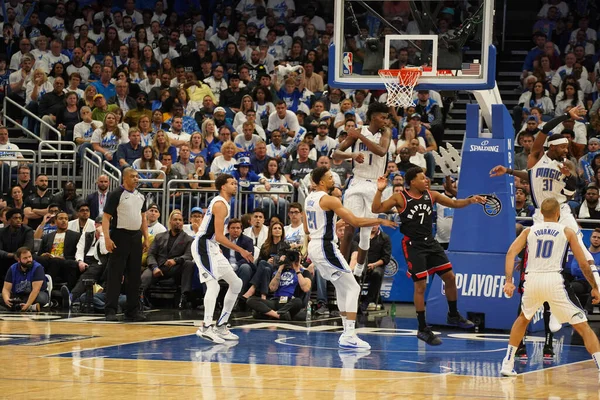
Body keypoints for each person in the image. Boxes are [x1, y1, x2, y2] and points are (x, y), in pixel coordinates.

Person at [372, 167, 486, 345]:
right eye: (422, 178)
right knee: (420, 286)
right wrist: (379, 190)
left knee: (450, 277)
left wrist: (471, 200)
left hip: (431, 243)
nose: (426, 180)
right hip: (413, 245)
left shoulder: (431, 195)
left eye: (426, 177)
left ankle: (453, 314)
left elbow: (455, 204)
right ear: (412, 182)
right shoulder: (399, 198)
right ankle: (422, 328)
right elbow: (376, 208)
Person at [490, 106, 600, 287]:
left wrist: (569, 176)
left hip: (561, 210)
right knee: (538, 250)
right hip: (541, 213)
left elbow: (573, 189)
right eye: (563, 147)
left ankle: (596, 282)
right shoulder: (536, 157)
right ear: (553, 147)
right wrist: (509, 171)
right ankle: (531, 283)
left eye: (567, 147)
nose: (566, 150)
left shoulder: (567, 165)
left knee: (579, 243)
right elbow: (532, 174)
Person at [500, 198, 600, 377]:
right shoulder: (567, 231)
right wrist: (594, 286)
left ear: (541, 214)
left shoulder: (529, 231)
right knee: (583, 326)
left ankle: (507, 363)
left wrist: (509, 281)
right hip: (555, 280)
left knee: (523, 318)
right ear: (558, 213)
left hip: (532, 280)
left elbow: (510, 253)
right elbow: (584, 264)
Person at [305, 166, 397, 350]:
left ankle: (346, 333)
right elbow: (355, 222)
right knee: (353, 287)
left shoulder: (309, 198)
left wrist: (333, 223)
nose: (334, 180)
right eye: (330, 177)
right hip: (325, 247)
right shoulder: (329, 199)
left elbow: (308, 229)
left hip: (315, 245)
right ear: (322, 181)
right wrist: (379, 220)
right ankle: (349, 334)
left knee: (342, 287)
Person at [192, 174, 254, 343]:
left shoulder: (224, 203)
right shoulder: (220, 204)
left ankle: (221, 326)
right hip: (203, 245)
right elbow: (219, 236)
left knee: (236, 283)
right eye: (232, 183)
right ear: (222, 187)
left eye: (236, 183)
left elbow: (216, 236)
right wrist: (241, 250)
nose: (236, 185)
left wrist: (217, 246)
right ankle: (205, 327)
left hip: (211, 245)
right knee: (213, 286)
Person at [333, 102, 392, 276]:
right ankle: (341, 267)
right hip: (357, 181)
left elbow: (381, 151)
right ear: (373, 116)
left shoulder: (384, 132)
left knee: (366, 232)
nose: (385, 120)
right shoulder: (356, 133)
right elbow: (336, 153)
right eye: (383, 117)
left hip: (375, 183)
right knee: (350, 225)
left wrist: (360, 137)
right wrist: (351, 154)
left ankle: (359, 269)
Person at [102, 168, 150, 322]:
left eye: (137, 177)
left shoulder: (140, 196)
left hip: (136, 237)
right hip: (119, 235)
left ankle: (132, 310)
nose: (136, 179)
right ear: (124, 178)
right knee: (115, 274)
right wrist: (107, 239)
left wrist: (146, 238)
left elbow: (143, 218)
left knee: (135, 276)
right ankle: (110, 310)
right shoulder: (116, 194)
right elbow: (106, 218)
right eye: (133, 176)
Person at [142, 210, 195, 309]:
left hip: (175, 268)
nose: (178, 222)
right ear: (170, 222)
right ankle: (140, 300)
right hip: (158, 267)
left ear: (183, 223)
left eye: (180, 220)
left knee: (189, 264)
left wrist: (176, 260)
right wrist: (154, 268)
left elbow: (189, 255)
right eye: (175, 220)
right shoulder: (159, 237)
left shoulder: (189, 239)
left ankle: (184, 297)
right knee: (146, 276)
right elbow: (151, 254)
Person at [246, 249, 311, 320]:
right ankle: (279, 315)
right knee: (251, 300)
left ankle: (270, 314)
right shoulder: (279, 271)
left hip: (291, 301)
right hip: (276, 301)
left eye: (297, 256)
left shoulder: (304, 272)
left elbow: (306, 288)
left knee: (298, 301)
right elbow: (272, 288)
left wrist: (297, 270)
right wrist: (280, 268)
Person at [1, 247, 48, 312]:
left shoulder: (38, 268)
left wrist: (27, 304)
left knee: (41, 298)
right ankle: (29, 307)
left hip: (35, 294)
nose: (29, 260)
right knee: (2, 297)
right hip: (18, 295)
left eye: (30, 257)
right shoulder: (12, 268)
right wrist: (6, 299)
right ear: (19, 260)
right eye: (25, 258)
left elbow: (35, 290)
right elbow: (6, 289)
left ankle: (18, 306)